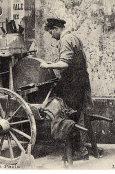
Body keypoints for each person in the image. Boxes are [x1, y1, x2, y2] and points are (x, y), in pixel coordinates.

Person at [40, 18, 92, 160]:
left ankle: (78, 152)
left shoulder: (65, 39)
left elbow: (65, 64)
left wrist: (47, 66)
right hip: (80, 80)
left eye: (51, 32)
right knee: (77, 114)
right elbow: (71, 60)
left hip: (73, 83)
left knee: (70, 115)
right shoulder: (74, 37)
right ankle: (81, 149)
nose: (52, 35)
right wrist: (54, 63)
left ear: (57, 28)